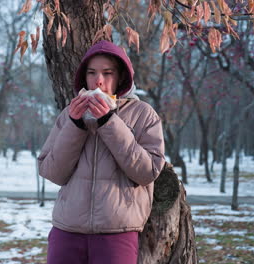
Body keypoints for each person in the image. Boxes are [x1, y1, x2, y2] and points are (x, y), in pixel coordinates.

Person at [38, 40, 166, 264]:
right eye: (92, 73)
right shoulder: (71, 113)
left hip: (117, 231)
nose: (99, 80)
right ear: (84, 77)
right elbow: (52, 172)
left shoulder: (143, 114)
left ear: (121, 78)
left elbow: (148, 172)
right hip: (67, 229)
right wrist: (75, 125)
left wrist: (109, 122)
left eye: (108, 73)